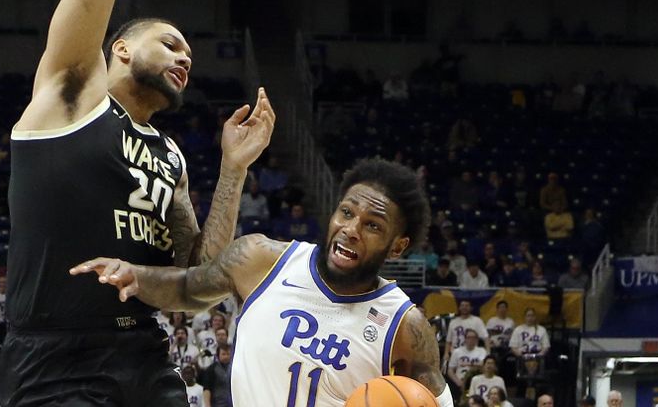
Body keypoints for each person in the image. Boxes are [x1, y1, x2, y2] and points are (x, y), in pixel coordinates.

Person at [0, 0, 275, 405]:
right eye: (170, 43)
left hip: (142, 354)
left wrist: (233, 170)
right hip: (54, 356)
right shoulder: (71, 92)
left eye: (190, 54)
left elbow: (200, 285)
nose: (184, 59)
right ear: (119, 49)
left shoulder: (169, 155)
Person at [72, 159, 454, 407]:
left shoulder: (405, 326)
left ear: (398, 246)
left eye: (373, 226)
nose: (351, 230)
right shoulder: (262, 259)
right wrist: (133, 274)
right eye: (347, 212)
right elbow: (188, 288)